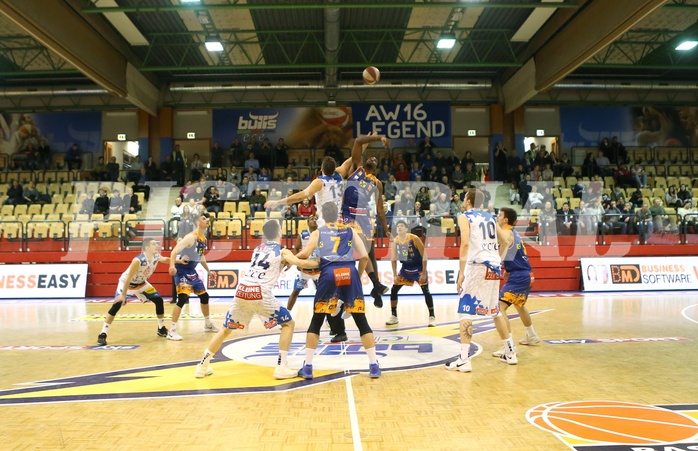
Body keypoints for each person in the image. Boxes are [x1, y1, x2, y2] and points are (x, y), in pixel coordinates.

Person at [194, 220, 319, 380]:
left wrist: (285, 260)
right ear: (279, 232)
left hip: (242, 289)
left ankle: (202, 365)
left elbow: (276, 261)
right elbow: (300, 262)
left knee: (226, 329)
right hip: (260, 292)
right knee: (288, 323)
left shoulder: (257, 249)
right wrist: (320, 264)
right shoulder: (282, 251)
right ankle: (281, 366)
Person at [294, 203, 381, 378]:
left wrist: (287, 258)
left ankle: (308, 366)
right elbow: (364, 257)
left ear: (323, 217)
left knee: (317, 321)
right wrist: (357, 275)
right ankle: (373, 365)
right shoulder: (350, 230)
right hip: (349, 273)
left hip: (328, 274)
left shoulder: (318, 232)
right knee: (361, 321)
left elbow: (304, 254)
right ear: (338, 215)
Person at [446, 188, 517, 373]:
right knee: (495, 311)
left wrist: (461, 273)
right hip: (494, 266)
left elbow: (466, 243)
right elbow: (507, 241)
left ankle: (464, 359)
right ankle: (510, 352)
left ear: (468, 200)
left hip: (477, 265)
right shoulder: (491, 218)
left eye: (464, 198)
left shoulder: (465, 216)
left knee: (465, 311)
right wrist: (498, 258)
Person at [97, 238, 182, 346]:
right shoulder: (138, 260)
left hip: (141, 283)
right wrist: (123, 295)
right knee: (117, 304)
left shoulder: (156, 256)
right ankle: (103, 333)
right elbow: (128, 278)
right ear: (147, 248)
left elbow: (165, 259)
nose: (157, 246)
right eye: (154, 244)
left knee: (159, 300)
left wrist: (178, 261)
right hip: (127, 284)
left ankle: (161, 328)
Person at [492, 207, 540, 358]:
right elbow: (514, 252)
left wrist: (497, 262)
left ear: (505, 220)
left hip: (519, 276)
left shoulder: (506, 232)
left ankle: (509, 346)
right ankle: (531, 335)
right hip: (525, 273)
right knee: (520, 305)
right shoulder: (515, 232)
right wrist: (508, 268)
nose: (497, 218)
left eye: (499, 215)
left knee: (499, 308)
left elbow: (504, 244)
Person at [167, 211, 220, 340]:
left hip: (192, 270)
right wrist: (172, 266)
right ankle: (171, 330)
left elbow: (201, 256)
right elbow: (174, 251)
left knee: (204, 296)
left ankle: (208, 324)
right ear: (198, 222)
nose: (207, 220)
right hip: (181, 270)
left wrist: (208, 271)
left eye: (207, 219)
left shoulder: (203, 239)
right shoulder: (190, 237)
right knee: (183, 299)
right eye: (204, 218)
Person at [385, 220, 435, 327]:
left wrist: (424, 273)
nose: (399, 227)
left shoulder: (414, 238)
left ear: (406, 229)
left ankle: (432, 316)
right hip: (405, 269)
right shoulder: (395, 241)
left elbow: (424, 256)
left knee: (426, 291)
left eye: (402, 226)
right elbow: (393, 259)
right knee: (394, 290)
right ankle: (394, 316)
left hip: (418, 268)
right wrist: (394, 275)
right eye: (398, 226)